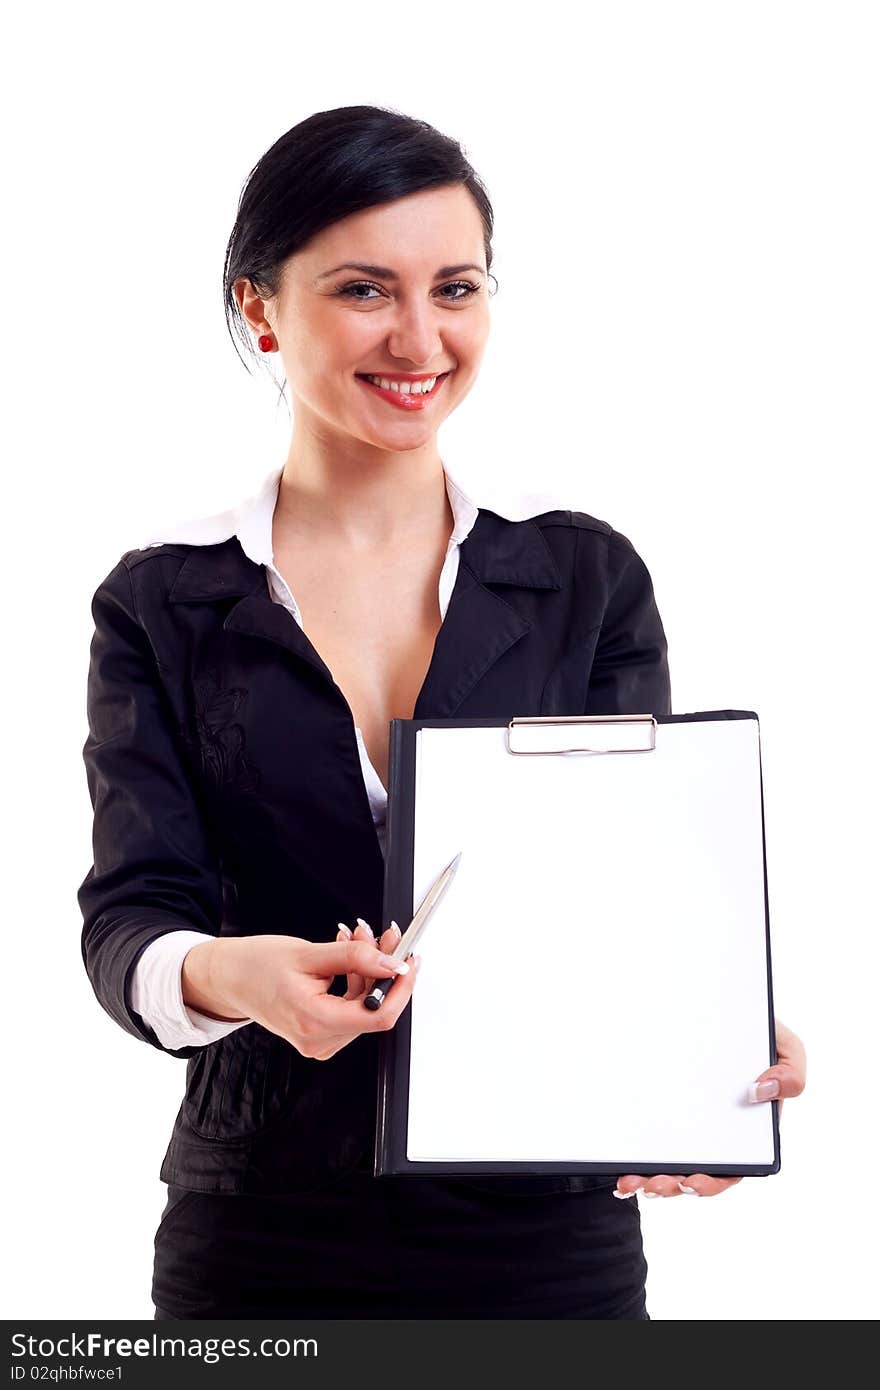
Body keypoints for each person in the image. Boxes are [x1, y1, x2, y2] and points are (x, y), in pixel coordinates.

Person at [77, 104, 807, 1321]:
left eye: (455, 287)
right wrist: (235, 976)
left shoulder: (583, 578)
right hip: (260, 1231)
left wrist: (708, 1036)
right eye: (365, 290)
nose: (420, 337)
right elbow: (129, 923)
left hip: (547, 1234)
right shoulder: (165, 599)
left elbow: (639, 890)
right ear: (260, 308)